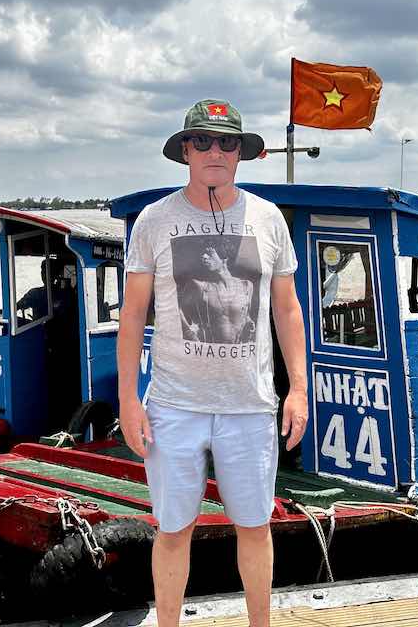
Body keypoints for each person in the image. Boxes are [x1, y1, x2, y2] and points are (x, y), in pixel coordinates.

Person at [117, 99, 308, 627]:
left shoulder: (268, 219)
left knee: (254, 526)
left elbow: (287, 308)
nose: (214, 151)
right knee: (173, 529)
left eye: (226, 142)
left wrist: (298, 389)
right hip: (174, 405)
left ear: (241, 154)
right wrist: (129, 401)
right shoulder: (154, 222)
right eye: (202, 141)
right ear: (185, 150)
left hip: (249, 406)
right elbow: (133, 315)